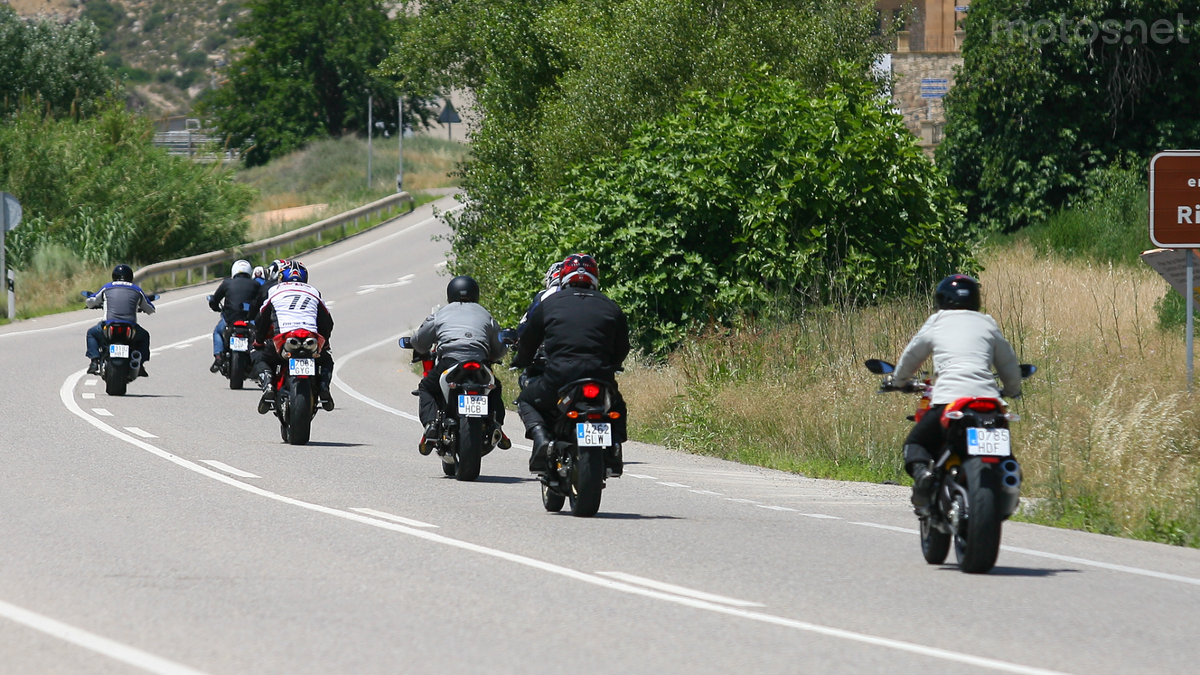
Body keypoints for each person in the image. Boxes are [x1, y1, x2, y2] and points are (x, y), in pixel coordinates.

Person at [887, 274, 1022, 507]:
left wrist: (898, 380)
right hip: (990, 403)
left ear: (942, 299)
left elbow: (913, 354)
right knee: (1007, 455)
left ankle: (924, 476)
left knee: (915, 443)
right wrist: (1013, 389)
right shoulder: (987, 322)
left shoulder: (938, 320)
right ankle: (1008, 477)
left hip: (949, 402)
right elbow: (1008, 361)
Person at [512, 253, 630, 472]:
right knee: (618, 407)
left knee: (526, 400)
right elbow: (623, 347)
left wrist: (521, 360)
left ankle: (541, 440)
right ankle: (614, 448)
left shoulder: (548, 303)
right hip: (600, 376)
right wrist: (611, 365)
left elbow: (528, 340)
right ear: (595, 277)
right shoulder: (611, 306)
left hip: (559, 376)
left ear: (564, 276)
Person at [411, 275, 510, 454]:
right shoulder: (485, 314)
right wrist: (492, 356)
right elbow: (500, 348)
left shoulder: (441, 313)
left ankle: (432, 424)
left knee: (426, 387)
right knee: (495, 387)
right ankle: (497, 425)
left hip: (450, 361)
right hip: (480, 362)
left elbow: (419, 342)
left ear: (450, 293)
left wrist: (419, 346)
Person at [250, 262, 336, 413]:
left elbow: (261, 319)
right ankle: (324, 388)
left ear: (281, 277)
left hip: (284, 338)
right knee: (326, 359)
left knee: (259, 356)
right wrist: (325, 343)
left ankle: (268, 383)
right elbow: (327, 321)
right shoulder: (313, 292)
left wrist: (258, 341)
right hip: (310, 338)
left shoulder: (274, 291)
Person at [85, 264, 155, 376]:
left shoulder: (107, 287)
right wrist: (140, 308)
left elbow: (91, 301)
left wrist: (91, 305)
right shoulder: (137, 290)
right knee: (144, 335)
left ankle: (94, 361)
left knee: (91, 333)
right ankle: (140, 364)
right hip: (130, 327)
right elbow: (150, 309)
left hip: (109, 325)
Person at [208, 260, 261, 373]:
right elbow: (262, 301)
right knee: (259, 336)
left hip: (230, 319)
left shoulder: (227, 283)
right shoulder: (256, 284)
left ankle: (218, 356)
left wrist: (215, 307)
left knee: (217, 332)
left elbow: (215, 299)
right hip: (249, 320)